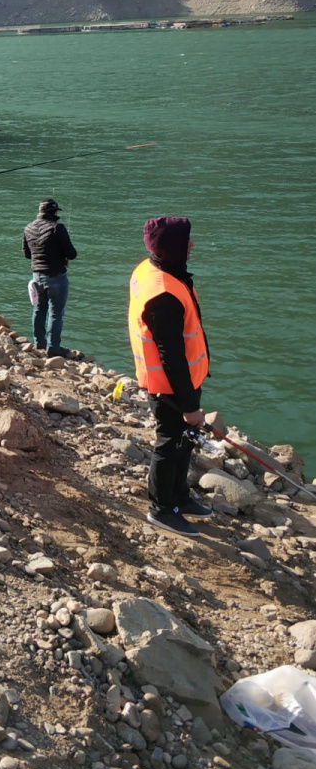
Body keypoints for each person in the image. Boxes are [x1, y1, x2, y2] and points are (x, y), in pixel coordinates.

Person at [128, 216, 212, 537]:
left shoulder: (153, 270)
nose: (192, 245)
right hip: (170, 386)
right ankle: (162, 509)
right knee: (170, 443)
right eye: (186, 241)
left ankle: (179, 496)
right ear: (173, 247)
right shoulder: (163, 294)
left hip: (184, 380)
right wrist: (189, 406)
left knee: (184, 441)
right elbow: (172, 358)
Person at [23, 198, 77, 355]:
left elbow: (27, 254)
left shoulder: (28, 228)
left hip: (36, 276)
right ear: (54, 212)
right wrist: (65, 239)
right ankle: (53, 348)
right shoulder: (57, 228)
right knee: (56, 312)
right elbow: (71, 254)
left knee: (39, 309)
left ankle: (39, 343)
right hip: (56, 277)